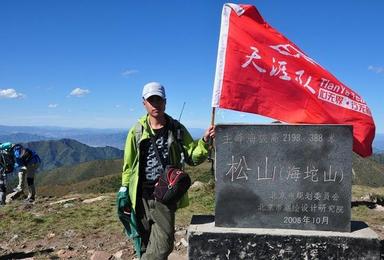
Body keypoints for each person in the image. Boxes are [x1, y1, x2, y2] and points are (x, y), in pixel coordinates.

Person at [117, 82, 215, 259]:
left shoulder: (176, 129)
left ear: (165, 102)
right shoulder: (137, 131)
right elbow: (129, 165)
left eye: (159, 100)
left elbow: (192, 156)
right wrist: (124, 190)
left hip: (165, 195)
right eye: (151, 100)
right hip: (139, 196)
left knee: (163, 246)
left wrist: (205, 141)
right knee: (145, 242)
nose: (155, 104)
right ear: (144, 103)